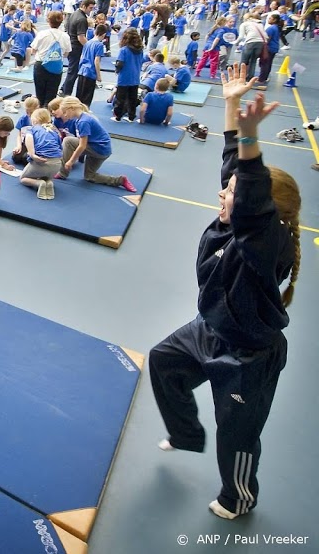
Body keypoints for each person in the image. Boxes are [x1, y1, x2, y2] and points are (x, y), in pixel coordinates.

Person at [150, 65, 299, 520]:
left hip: (247, 357)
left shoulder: (261, 241)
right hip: (209, 328)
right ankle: (187, 434)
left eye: (232, 193)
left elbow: (249, 187)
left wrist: (254, 139)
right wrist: (233, 106)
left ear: (259, 209)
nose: (222, 194)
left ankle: (239, 497)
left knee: (236, 435)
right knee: (162, 360)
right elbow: (234, 164)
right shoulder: (237, 219)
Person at [56, 97, 137, 192]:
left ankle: (62, 173)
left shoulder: (83, 122)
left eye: (65, 112)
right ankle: (120, 180)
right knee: (89, 177)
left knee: (68, 141)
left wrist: (71, 161)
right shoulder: (82, 117)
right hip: (101, 149)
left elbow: (82, 145)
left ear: (71, 108)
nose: (64, 115)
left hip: (99, 150)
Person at [30, 11, 71, 110]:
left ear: (48, 21)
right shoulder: (65, 36)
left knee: (40, 95)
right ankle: (47, 117)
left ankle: (39, 115)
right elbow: (66, 54)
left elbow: (33, 50)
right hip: (56, 67)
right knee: (51, 96)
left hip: (41, 65)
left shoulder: (42, 34)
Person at [62, 0, 94, 96]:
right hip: (76, 47)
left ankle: (63, 89)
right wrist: (90, 48)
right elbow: (81, 38)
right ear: (84, 6)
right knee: (73, 72)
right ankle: (66, 93)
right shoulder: (82, 19)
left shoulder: (73, 14)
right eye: (90, 8)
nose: (91, 10)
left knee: (72, 70)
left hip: (70, 44)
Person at [113, 28, 145, 122]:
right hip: (135, 77)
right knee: (132, 98)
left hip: (124, 77)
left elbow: (120, 63)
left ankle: (118, 116)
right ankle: (131, 116)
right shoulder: (140, 50)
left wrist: (117, 70)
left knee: (120, 98)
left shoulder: (124, 50)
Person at [75, 24, 106, 107]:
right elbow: (96, 61)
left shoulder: (87, 42)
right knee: (87, 96)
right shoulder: (99, 45)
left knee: (79, 94)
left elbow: (82, 57)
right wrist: (98, 75)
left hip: (82, 70)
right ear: (103, 34)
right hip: (90, 72)